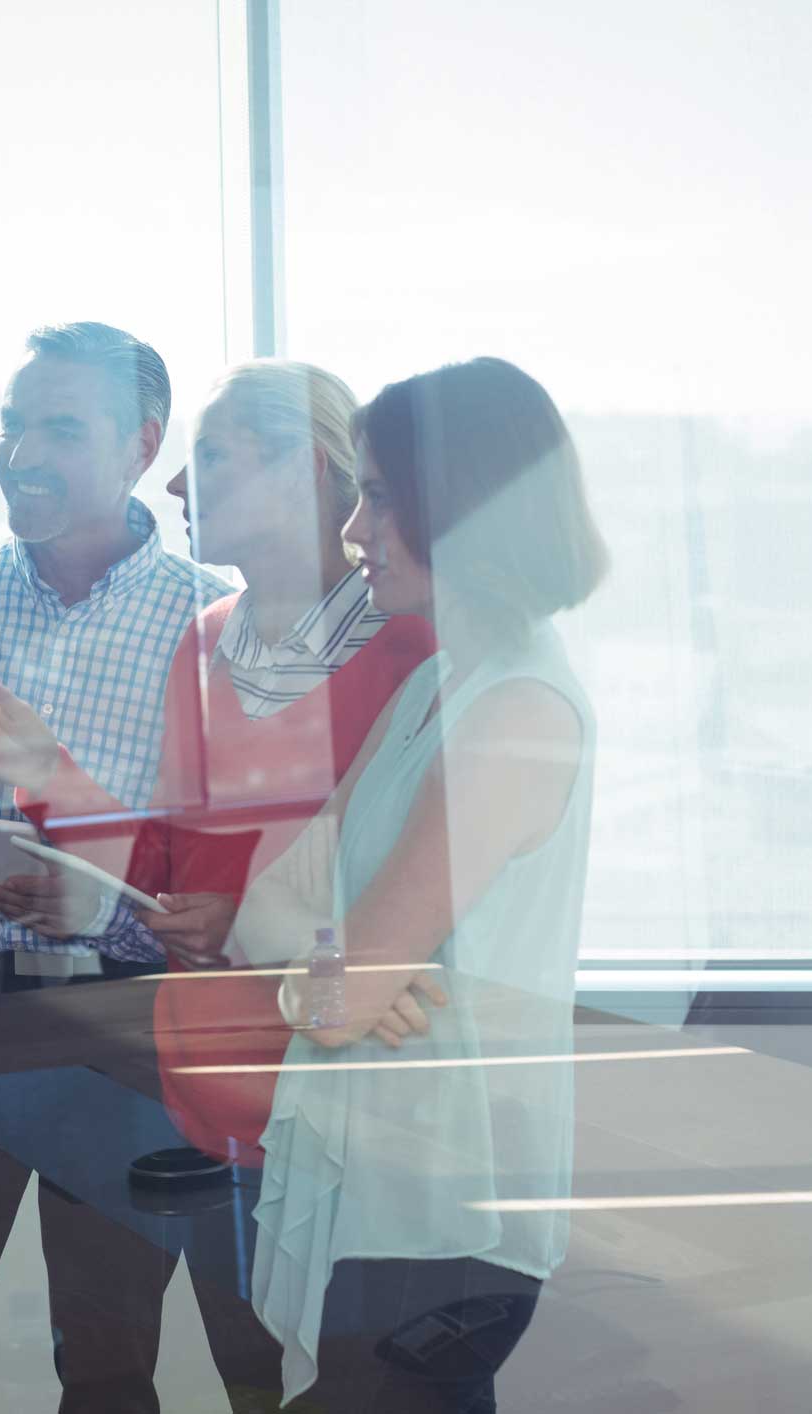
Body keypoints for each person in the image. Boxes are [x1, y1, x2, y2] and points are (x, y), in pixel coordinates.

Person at [0, 360, 437, 1409]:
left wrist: (242, 920)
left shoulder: (411, 647)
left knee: (327, 1381)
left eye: (213, 461)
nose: (180, 490)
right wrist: (42, 770)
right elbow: (164, 870)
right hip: (201, 1083)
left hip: (335, 1090)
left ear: (310, 469)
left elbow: (412, 886)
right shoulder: (206, 642)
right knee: (239, 1373)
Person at [0, 322, 229, 1413]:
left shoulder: (208, 622)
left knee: (110, 1370)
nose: (21, 450)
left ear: (140, 444)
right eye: (12, 425)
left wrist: (101, 908)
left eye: (60, 427)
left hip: (123, 1027)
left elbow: (220, 860)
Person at [244, 356, 610, 1411]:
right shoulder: (436, 685)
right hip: (393, 1175)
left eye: (381, 496)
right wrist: (332, 971)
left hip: (449, 1206)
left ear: (469, 507)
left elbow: (338, 988)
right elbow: (277, 906)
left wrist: (321, 979)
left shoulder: (517, 710)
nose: (354, 529)